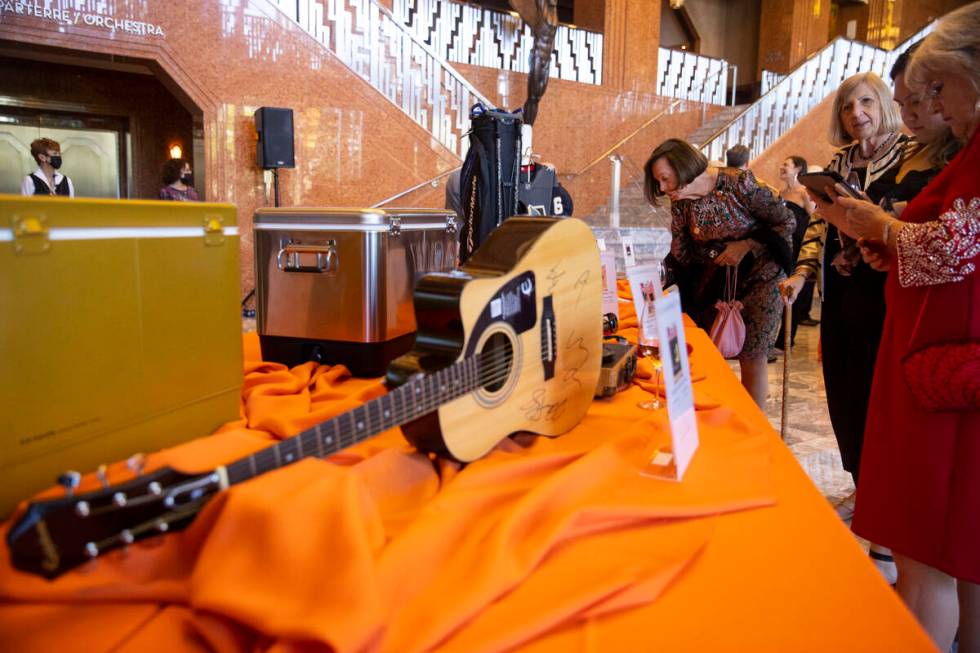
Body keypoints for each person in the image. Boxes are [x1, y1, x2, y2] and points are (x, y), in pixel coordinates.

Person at [830, 5, 980, 649]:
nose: (936, 104)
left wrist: (882, 229)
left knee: (927, 555)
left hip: (940, 368)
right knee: (954, 556)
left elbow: (956, 250)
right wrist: (887, 242)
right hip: (935, 356)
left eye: (939, 85)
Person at [779, 72, 907, 523]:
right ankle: (859, 483)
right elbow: (818, 227)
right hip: (842, 293)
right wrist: (800, 274)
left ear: (886, 104)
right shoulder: (836, 164)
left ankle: (887, 491)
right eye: (848, 108)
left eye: (867, 103)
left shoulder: (910, 157)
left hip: (888, 294)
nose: (857, 114)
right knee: (844, 390)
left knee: (880, 395)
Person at [645, 139, 794, 408]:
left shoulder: (740, 184)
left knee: (753, 353)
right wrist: (657, 280)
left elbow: (786, 221)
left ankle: (753, 428)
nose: (662, 188)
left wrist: (747, 245)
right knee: (710, 349)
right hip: (717, 280)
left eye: (665, 179)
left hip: (762, 276)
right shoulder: (681, 202)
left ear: (684, 168)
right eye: (658, 182)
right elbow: (681, 253)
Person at [774, 156, 815, 348]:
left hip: (798, 248)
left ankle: (786, 338)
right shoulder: (780, 193)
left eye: (786, 164)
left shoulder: (804, 193)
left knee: (795, 291)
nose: (782, 167)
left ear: (798, 168)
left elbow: (814, 219)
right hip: (782, 248)